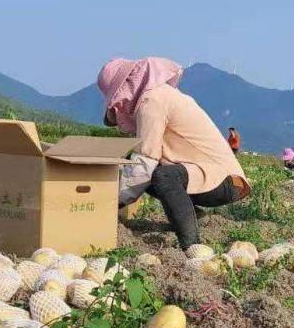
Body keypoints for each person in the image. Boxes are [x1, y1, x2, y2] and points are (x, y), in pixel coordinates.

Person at [97, 57, 250, 250]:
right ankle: (193, 215)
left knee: (161, 176)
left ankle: (192, 246)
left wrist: (109, 204)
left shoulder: (152, 101)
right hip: (212, 176)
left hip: (225, 181)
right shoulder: (161, 96)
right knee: (147, 171)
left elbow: (145, 161)